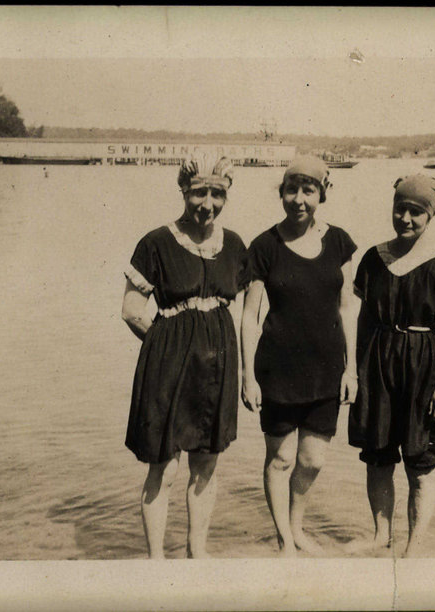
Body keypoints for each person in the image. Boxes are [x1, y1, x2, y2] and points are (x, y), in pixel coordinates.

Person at [121, 156, 248, 559]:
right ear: (183, 191)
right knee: (165, 466)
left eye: (217, 193)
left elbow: (248, 307)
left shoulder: (235, 245)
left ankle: (198, 556)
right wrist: (165, 349)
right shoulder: (156, 243)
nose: (206, 203)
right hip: (169, 368)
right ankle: (157, 561)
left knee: (206, 465)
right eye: (198, 192)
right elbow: (130, 309)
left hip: (217, 368)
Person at [241, 155, 357, 557]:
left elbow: (347, 309)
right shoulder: (263, 247)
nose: (299, 199)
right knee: (281, 458)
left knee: (312, 459)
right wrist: (247, 375)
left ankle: (296, 527)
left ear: (323, 192)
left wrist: (352, 370)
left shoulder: (340, 242)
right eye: (291, 189)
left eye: (309, 190)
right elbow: (250, 315)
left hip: (328, 370)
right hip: (277, 369)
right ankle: (285, 541)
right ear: (281, 192)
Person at [349, 173, 435, 557]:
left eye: (415, 212)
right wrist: (354, 370)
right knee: (378, 457)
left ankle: (413, 549)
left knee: (421, 464)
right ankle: (381, 537)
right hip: (378, 364)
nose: (405, 218)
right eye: (399, 209)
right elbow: (363, 318)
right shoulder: (374, 257)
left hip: (425, 368)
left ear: (430, 216)